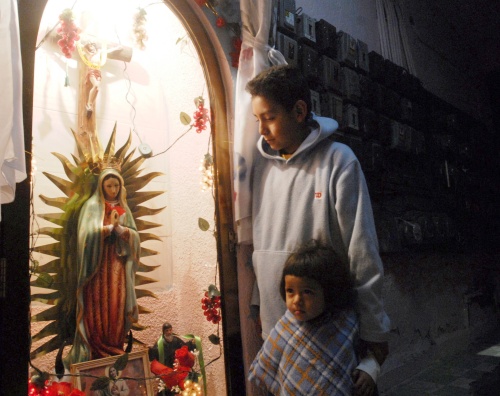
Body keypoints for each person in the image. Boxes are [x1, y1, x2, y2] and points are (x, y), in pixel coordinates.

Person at [246, 65, 390, 391]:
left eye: (268, 117)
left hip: (332, 328)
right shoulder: (264, 171)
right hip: (281, 329)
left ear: (299, 111)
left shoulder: (338, 160)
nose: (262, 130)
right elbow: (263, 244)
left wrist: (374, 333)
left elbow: (361, 250)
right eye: (258, 120)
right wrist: (259, 305)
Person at [249, 240, 377, 395]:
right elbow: (270, 367)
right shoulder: (286, 327)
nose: (297, 300)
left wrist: (369, 370)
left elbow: (367, 353)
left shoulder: (347, 322)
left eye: (307, 292)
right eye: (290, 290)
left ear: (329, 291)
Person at [66, 168, 140, 366]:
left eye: (116, 185)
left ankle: (115, 346)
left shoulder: (124, 208)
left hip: (117, 265)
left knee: (116, 304)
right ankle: (97, 351)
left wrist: (123, 231)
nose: (113, 189)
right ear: (101, 186)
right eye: (109, 185)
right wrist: (106, 230)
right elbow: (84, 237)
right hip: (96, 268)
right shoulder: (91, 207)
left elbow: (135, 237)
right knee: (97, 305)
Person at [77, 40, 122, 116]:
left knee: (97, 89)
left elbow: (107, 51)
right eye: (90, 47)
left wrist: (117, 48)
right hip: (92, 71)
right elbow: (82, 47)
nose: (92, 48)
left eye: (93, 46)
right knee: (96, 86)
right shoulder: (88, 54)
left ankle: (90, 105)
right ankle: (89, 103)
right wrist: (78, 42)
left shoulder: (99, 52)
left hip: (98, 72)